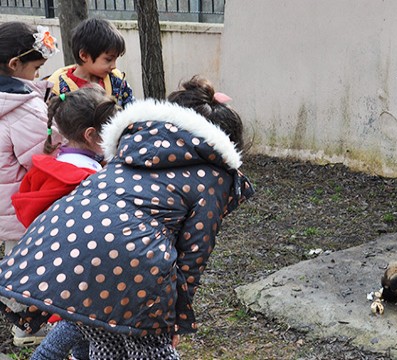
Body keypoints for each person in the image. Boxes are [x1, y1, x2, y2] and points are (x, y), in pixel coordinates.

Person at [0, 76, 254, 359]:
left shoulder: (134, 147)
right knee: (152, 348)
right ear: (226, 146)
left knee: (104, 341)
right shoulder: (214, 176)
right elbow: (194, 253)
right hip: (131, 261)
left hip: (63, 245)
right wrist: (173, 319)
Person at [11, 85, 119, 360]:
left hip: (57, 266)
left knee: (83, 330)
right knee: (80, 321)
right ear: (92, 135)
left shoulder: (52, 166)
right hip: (87, 271)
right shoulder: (90, 179)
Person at [0, 21, 61, 346]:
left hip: (5, 203)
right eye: (36, 68)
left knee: (14, 259)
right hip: (23, 205)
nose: (38, 75)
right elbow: (42, 157)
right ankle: (29, 329)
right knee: (29, 267)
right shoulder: (22, 109)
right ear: (15, 65)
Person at [48, 17, 134, 109]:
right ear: (84, 55)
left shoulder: (117, 81)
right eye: (108, 59)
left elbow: (132, 112)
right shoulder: (58, 89)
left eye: (115, 59)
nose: (114, 66)